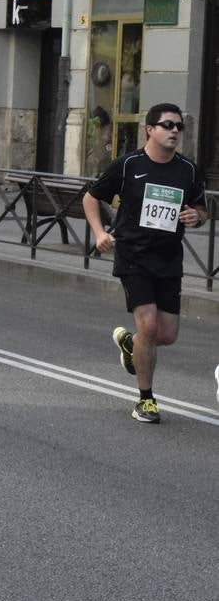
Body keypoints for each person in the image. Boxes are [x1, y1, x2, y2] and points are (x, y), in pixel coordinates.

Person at [84, 103, 206, 424]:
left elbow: (201, 209)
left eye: (179, 126)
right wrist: (99, 233)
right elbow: (91, 196)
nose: (175, 131)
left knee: (165, 335)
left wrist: (198, 216)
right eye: (167, 125)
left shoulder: (188, 170)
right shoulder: (127, 165)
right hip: (133, 256)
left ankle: (130, 343)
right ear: (149, 130)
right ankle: (146, 399)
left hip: (168, 259)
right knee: (149, 326)